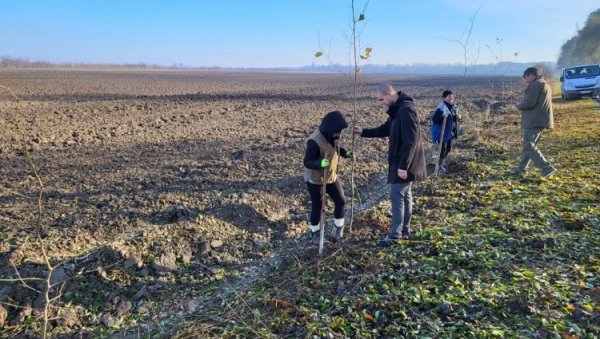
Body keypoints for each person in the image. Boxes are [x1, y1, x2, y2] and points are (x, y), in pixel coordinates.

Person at [353, 84, 427, 247]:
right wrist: (363, 132)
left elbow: (410, 140)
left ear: (389, 95)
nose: (381, 103)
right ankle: (404, 231)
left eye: (381, 99)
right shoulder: (397, 110)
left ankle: (395, 236)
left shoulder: (406, 110)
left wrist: (403, 166)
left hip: (404, 161)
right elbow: (385, 129)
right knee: (405, 196)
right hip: (401, 161)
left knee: (397, 196)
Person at [304, 111, 352, 244]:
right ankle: (315, 233)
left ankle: (338, 230)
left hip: (331, 177)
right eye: (337, 131)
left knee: (341, 200)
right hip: (316, 179)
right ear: (330, 129)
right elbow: (307, 161)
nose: (339, 134)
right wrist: (319, 163)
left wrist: (345, 153)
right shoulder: (314, 141)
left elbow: (336, 147)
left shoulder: (332, 136)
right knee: (318, 207)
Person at [512, 67, 557, 177]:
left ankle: (546, 167)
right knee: (529, 145)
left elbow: (530, 103)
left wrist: (519, 105)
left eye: (526, 77)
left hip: (534, 120)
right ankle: (521, 169)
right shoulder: (545, 84)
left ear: (531, 75)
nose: (526, 80)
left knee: (529, 146)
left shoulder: (535, 84)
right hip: (540, 119)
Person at [431, 90, 459, 174]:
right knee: (442, 149)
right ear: (444, 98)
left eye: (452, 97)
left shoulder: (453, 107)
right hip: (441, 132)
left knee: (448, 148)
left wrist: (457, 117)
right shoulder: (441, 108)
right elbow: (435, 119)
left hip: (449, 132)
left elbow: (454, 120)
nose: (451, 99)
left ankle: (442, 162)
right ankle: (439, 166)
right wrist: (443, 116)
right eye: (449, 97)